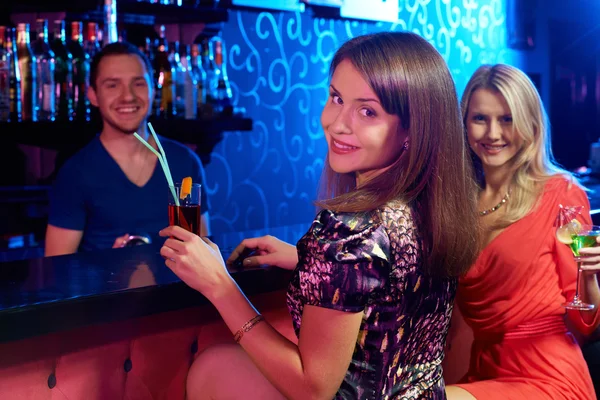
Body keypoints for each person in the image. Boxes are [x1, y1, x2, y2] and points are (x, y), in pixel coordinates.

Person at [158, 31, 480, 399]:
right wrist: (309, 259)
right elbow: (391, 282)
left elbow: (313, 389)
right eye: (336, 98)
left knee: (212, 368)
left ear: (411, 129)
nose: (338, 123)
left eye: (367, 111)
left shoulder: (350, 232)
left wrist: (220, 285)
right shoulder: (429, 205)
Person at [445, 64, 600, 400]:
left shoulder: (560, 194)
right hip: (482, 370)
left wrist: (590, 274)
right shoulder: (456, 203)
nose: (492, 134)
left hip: (547, 374)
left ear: (529, 124)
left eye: (507, 119)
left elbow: (586, 326)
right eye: (480, 119)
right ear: (463, 123)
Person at [45, 41, 210, 256]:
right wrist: (110, 263)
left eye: (139, 83)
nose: (128, 96)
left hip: (180, 290)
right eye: (112, 85)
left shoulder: (184, 161)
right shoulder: (75, 173)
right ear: (93, 95)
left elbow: (206, 253)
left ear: (153, 89)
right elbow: (59, 272)